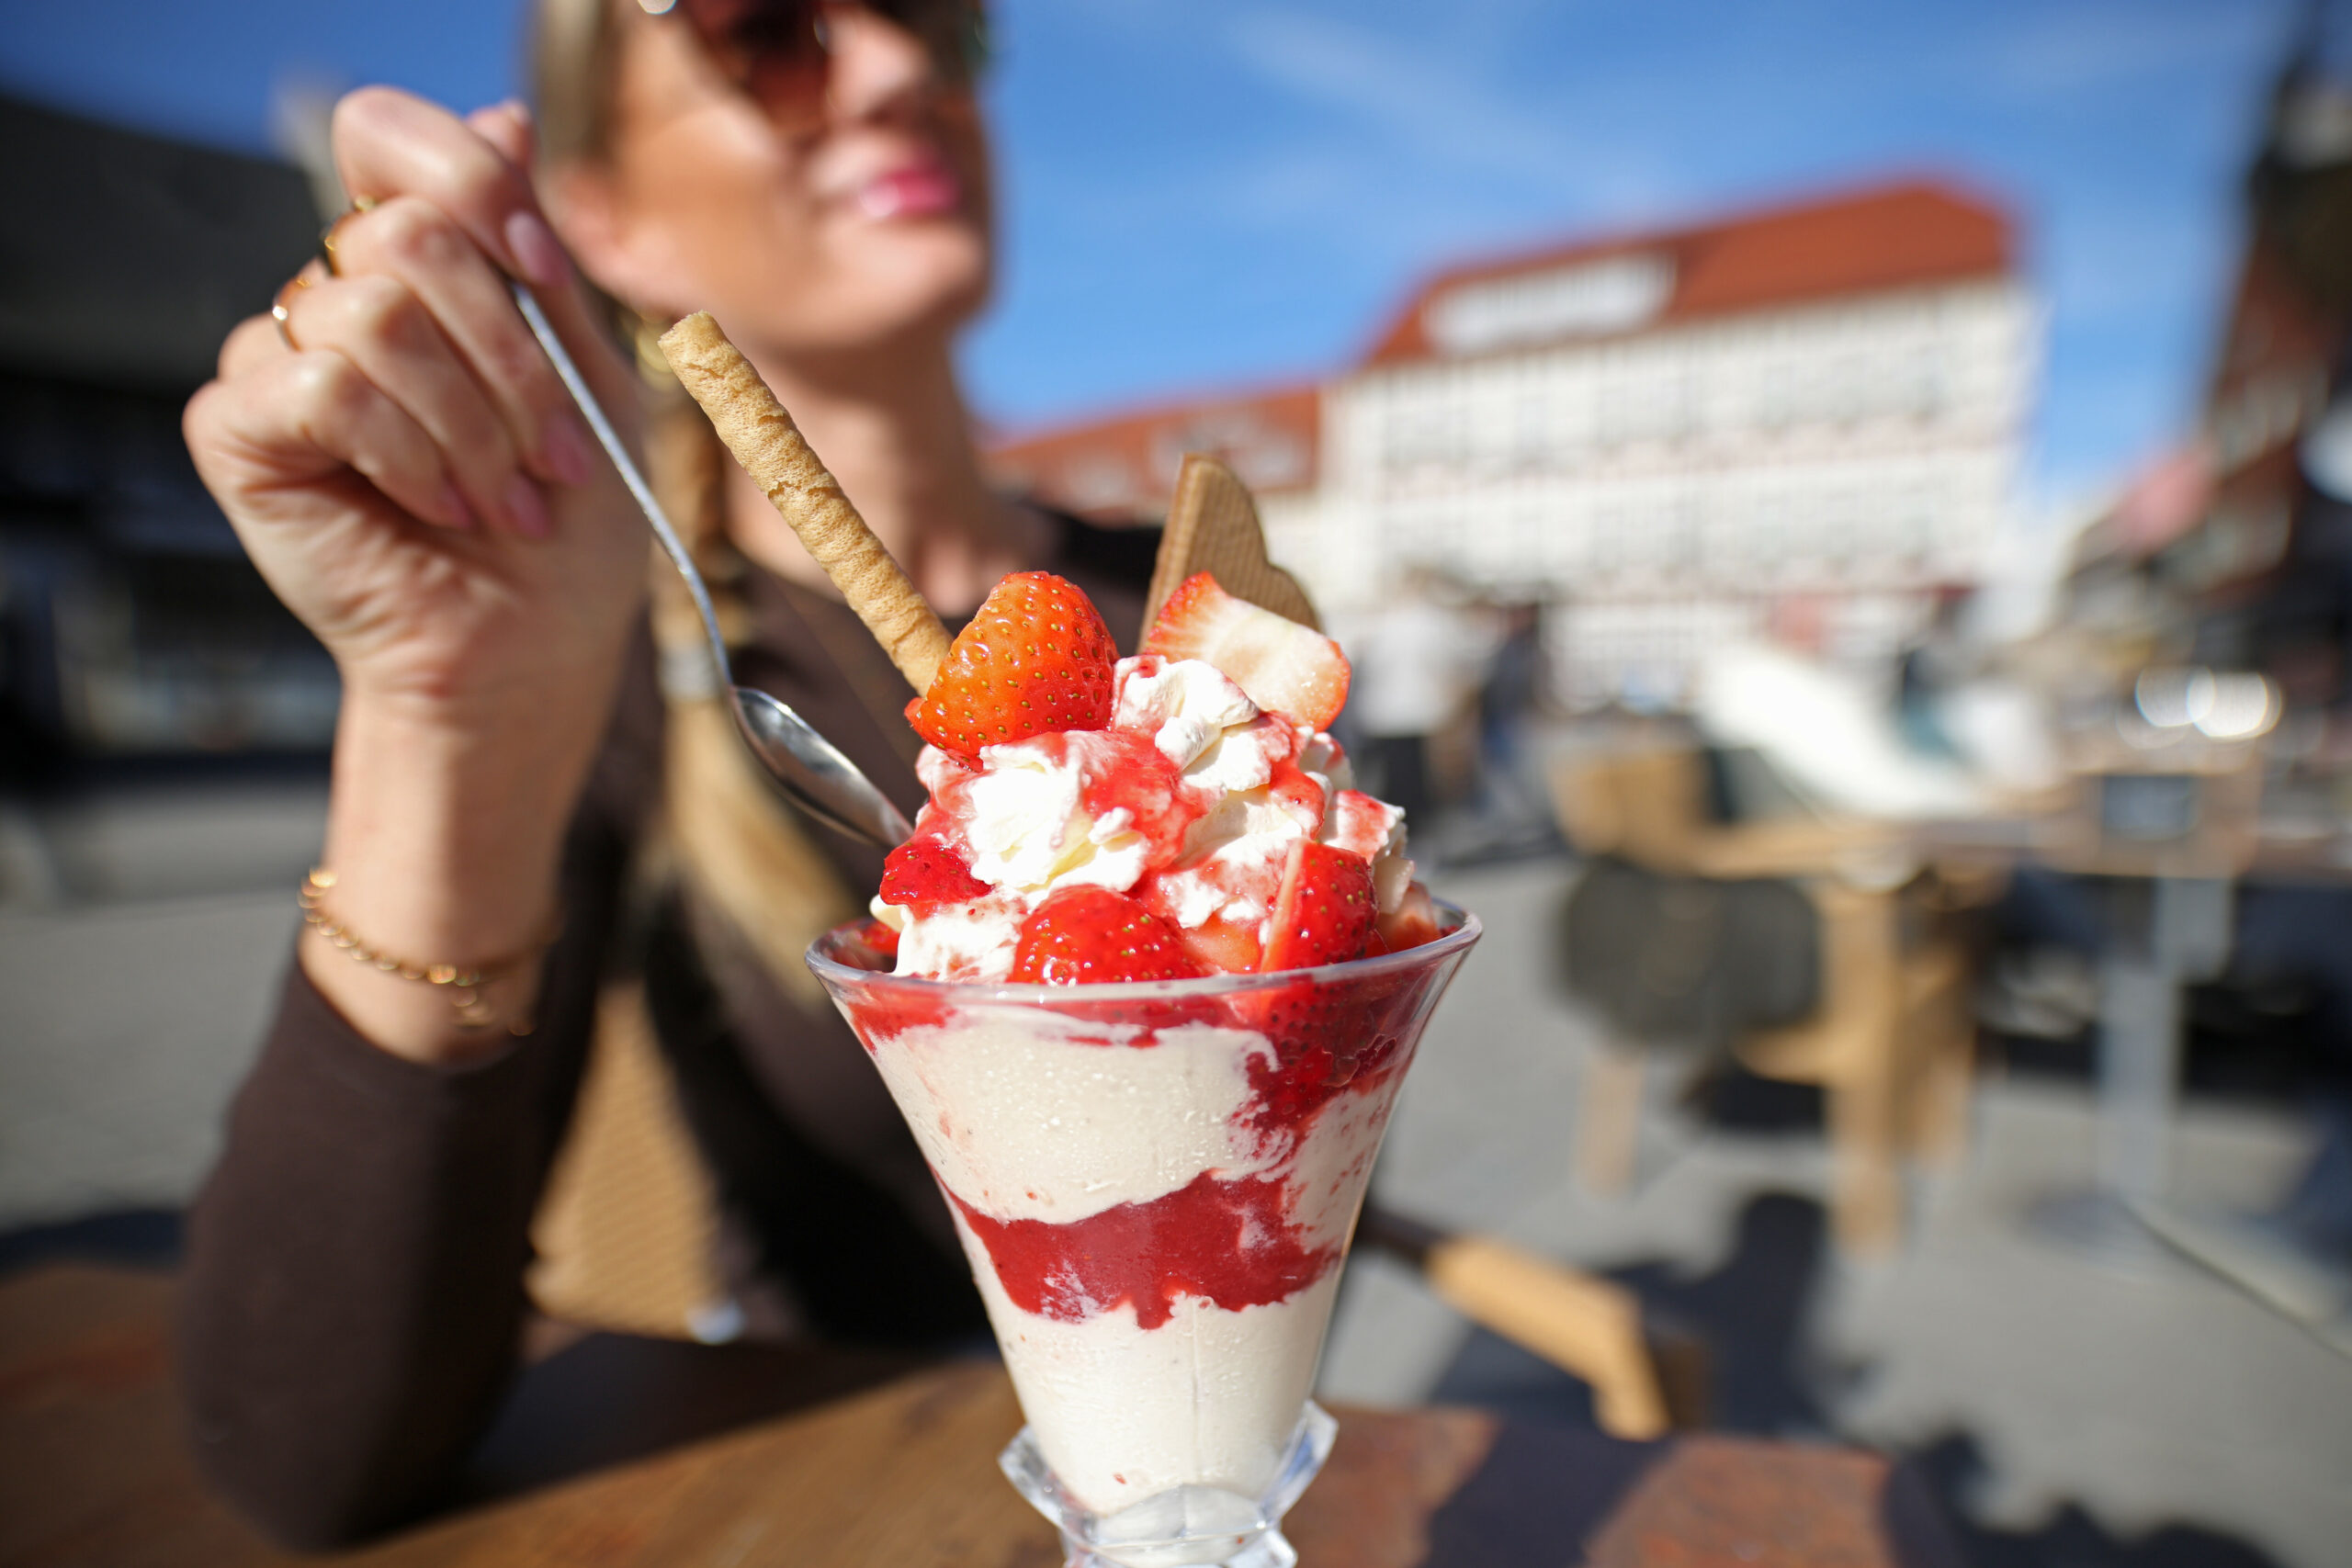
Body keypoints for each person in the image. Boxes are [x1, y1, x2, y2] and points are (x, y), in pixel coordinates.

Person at [175, 0, 1158, 1546]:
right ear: (603, 218)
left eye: (934, 20)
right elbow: (304, 1452)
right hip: (831, 1484)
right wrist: (453, 714)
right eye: (768, 34)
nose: (898, 69)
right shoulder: (623, 674)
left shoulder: (1202, 616)